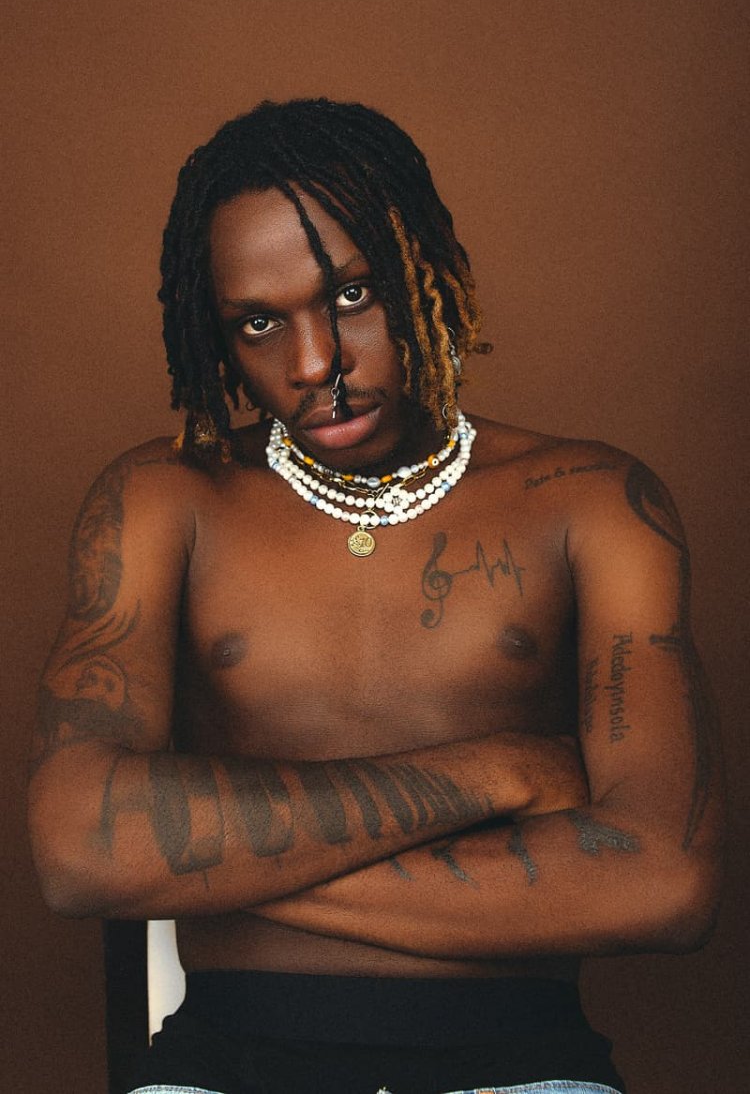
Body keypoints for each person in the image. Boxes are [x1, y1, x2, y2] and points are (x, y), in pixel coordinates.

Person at [28, 98, 723, 1094]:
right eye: (259, 323)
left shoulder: (595, 501)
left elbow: (665, 880)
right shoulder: (162, 498)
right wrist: (501, 773)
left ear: (427, 268)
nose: (316, 365)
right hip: (221, 1065)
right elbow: (78, 848)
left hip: (522, 1064)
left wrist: (211, 866)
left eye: (353, 295)